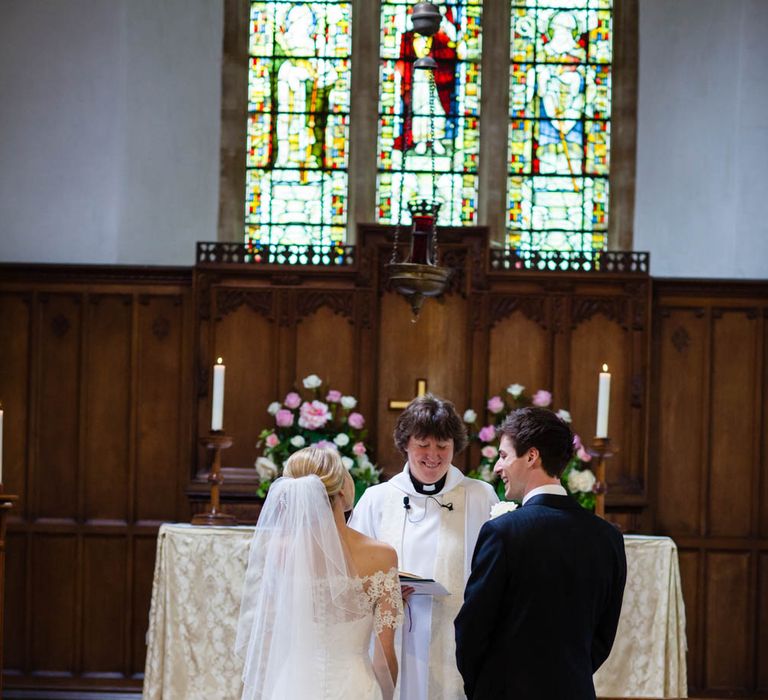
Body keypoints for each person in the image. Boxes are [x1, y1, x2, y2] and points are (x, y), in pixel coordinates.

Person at [454, 407, 627, 699]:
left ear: (532, 456)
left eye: (504, 455)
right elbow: (603, 636)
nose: (498, 467)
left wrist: (484, 688)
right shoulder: (607, 537)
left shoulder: (503, 532)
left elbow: (472, 630)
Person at [350, 395, 498, 700]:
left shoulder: (480, 496)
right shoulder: (378, 499)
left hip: (457, 635)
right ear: (406, 444)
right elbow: (353, 567)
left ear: (455, 447)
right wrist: (384, 594)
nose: (433, 455)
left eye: (442, 446)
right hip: (394, 631)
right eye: (423, 444)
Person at [235, 446, 403, 700]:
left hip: (292, 686)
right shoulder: (381, 556)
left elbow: (267, 640)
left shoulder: (278, 552)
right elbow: (383, 658)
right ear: (344, 488)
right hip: (354, 688)